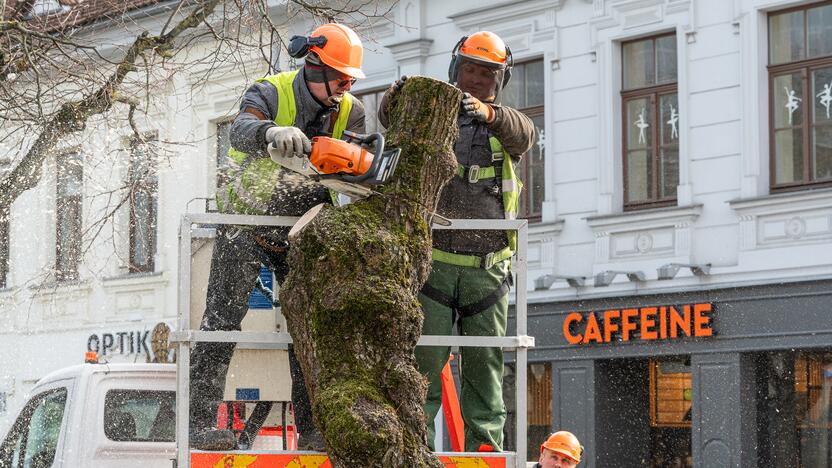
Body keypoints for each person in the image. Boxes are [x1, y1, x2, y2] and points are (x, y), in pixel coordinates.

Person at [189, 23, 366, 451]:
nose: (344, 88)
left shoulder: (351, 111)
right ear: (315, 66)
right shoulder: (270, 91)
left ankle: (313, 428)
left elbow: (355, 160)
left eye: (349, 80)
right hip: (245, 220)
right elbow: (239, 130)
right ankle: (196, 421)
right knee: (221, 319)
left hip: (303, 225)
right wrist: (269, 132)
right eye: (340, 78)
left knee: (309, 324)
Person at [379, 30, 535, 452]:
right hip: (435, 267)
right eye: (470, 70)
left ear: (499, 81)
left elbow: (525, 133)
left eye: (486, 75)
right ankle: (418, 446)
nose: (475, 81)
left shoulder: (505, 126)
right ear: (455, 69)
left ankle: (485, 447)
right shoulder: (436, 117)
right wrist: (394, 101)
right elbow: (391, 124)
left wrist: (488, 113)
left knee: (486, 369)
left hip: (488, 270)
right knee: (423, 367)